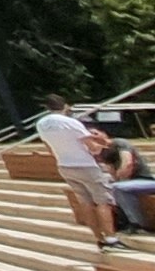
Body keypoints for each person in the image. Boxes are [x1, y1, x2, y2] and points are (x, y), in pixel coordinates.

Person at [34, 101, 119, 251]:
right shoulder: (71, 122)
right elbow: (92, 148)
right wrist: (104, 143)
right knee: (103, 201)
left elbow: (50, 149)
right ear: (65, 106)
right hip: (85, 165)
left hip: (64, 165)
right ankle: (111, 239)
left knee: (85, 202)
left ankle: (99, 238)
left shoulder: (41, 124)